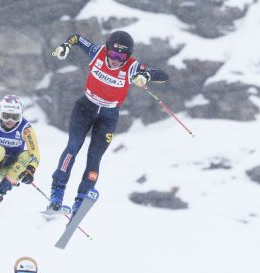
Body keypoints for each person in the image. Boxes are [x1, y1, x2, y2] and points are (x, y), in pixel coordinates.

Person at [47, 31, 169, 216]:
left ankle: (80, 201)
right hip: (85, 107)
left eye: (121, 56)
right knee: (73, 147)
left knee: (94, 157)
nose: (115, 59)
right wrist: (65, 46)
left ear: (127, 56)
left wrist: (145, 76)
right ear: (107, 50)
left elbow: (164, 75)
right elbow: (77, 38)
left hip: (108, 114)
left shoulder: (132, 67)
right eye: (112, 54)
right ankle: (56, 194)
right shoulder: (97, 52)